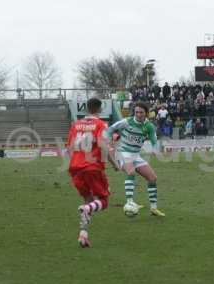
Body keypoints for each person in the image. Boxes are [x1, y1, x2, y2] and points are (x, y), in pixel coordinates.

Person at [67, 98, 118, 248]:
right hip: (92, 167)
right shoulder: (101, 124)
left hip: (76, 168)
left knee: (88, 200)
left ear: (86, 109)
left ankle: (83, 235)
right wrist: (114, 164)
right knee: (103, 200)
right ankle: (86, 210)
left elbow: (69, 148)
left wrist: (75, 163)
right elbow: (103, 146)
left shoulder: (76, 125)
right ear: (100, 109)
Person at [107, 101, 165, 217]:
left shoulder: (149, 126)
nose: (138, 114)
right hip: (123, 153)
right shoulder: (126, 122)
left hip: (136, 155)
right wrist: (109, 142)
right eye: (136, 112)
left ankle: (153, 208)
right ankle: (130, 202)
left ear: (146, 113)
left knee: (152, 178)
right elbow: (111, 129)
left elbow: (153, 138)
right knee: (131, 172)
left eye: (141, 112)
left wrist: (155, 149)